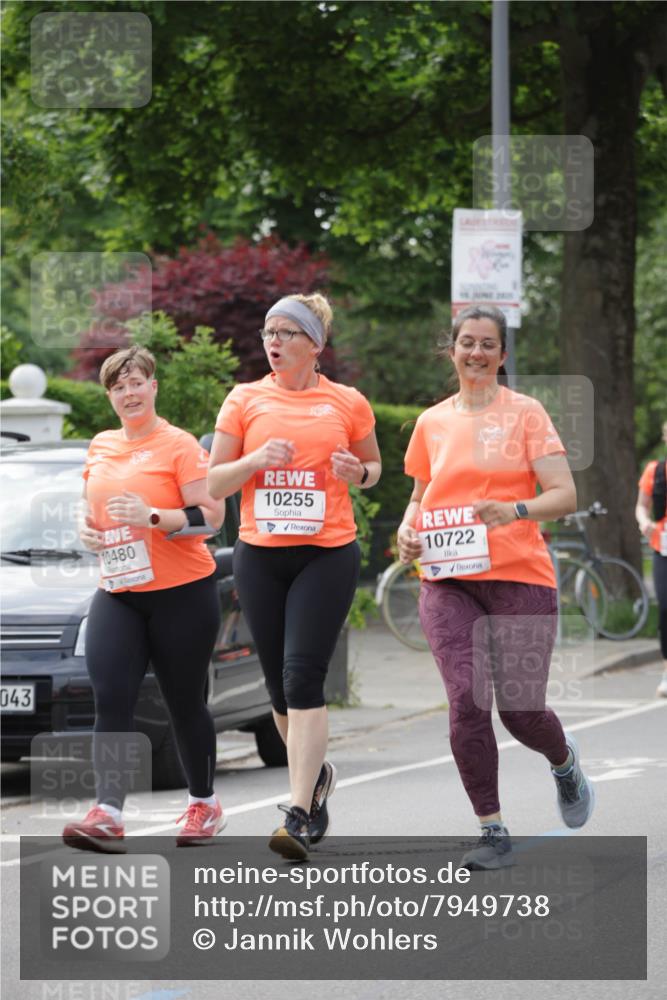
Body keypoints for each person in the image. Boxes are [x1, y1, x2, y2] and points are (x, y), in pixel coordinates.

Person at [397, 304, 595, 870]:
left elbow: (564, 493)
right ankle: (492, 829)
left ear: (502, 356)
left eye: (488, 344)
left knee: (521, 710)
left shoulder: (526, 413)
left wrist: (514, 508)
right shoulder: (432, 422)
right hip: (447, 579)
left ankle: (563, 763)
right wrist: (408, 533)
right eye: (467, 343)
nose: (476, 353)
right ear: (452, 350)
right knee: (465, 698)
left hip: (519, 576)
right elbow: (417, 498)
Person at [208, 292, 381, 860]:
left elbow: (373, 467)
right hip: (260, 554)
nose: (273, 343)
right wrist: (256, 461)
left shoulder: (348, 402)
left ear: (315, 344)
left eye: (286, 333)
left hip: (326, 553)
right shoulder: (244, 400)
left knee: (303, 677)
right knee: (278, 689)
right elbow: (215, 484)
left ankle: (300, 811)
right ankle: (317, 777)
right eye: (268, 332)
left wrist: (359, 472)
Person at [62, 346, 226, 853]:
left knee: (183, 702)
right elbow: (89, 511)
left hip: (182, 593)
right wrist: (84, 531)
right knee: (110, 696)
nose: (129, 393)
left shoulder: (177, 445)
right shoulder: (101, 445)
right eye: (118, 387)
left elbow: (212, 517)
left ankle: (204, 803)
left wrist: (153, 515)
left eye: (137, 383)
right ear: (109, 396)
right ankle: (108, 811)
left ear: (154, 386)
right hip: (118, 589)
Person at [635, 420, 667, 698]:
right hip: (663, 548)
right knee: (666, 608)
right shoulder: (655, 471)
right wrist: (644, 522)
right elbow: (641, 506)